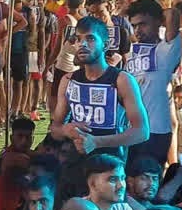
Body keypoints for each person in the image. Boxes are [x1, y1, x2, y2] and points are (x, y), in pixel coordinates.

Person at [49, 16, 148, 162]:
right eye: (78, 39)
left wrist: (97, 142)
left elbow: (142, 132)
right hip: (74, 165)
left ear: (105, 45)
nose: (82, 44)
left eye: (90, 39)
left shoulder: (122, 80)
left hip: (110, 165)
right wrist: (65, 130)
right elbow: (55, 129)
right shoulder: (68, 80)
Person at [124, 0, 182, 166]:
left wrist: (158, 15)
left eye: (143, 24)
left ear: (158, 22)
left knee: (147, 180)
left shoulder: (166, 50)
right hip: (132, 130)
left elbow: (173, 14)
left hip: (155, 131)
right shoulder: (134, 52)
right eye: (134, 26)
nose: (137, 30)